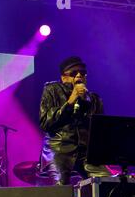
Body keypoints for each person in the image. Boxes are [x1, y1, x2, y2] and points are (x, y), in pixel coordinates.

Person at [39, 56, 110, 185]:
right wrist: (70, 102)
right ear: (63, 77)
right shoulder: (52, 90)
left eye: (82, 73)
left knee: (106, 182)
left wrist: (84, 103)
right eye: (73, 73)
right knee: (61, 189)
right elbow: (45, 122)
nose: (79, 75)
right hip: (59, 149)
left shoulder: (94, 99)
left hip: (85, 152)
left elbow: (100, 130)